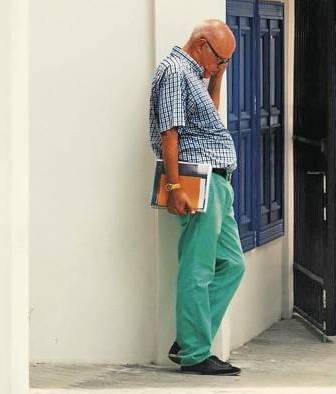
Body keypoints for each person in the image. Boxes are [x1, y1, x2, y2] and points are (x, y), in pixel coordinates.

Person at [148, 19, 246, 376]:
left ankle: (190, 338)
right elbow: (170, 132)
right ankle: (193, 352)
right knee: (198, 267)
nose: (221, 67)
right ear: (202, 44)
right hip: (197, 180)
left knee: (232, 265)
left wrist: (216, 78)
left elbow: (207, 123)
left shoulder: (195, 74)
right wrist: (173, 188)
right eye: (220, 60)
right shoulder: (176, 71)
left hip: (218, 180)